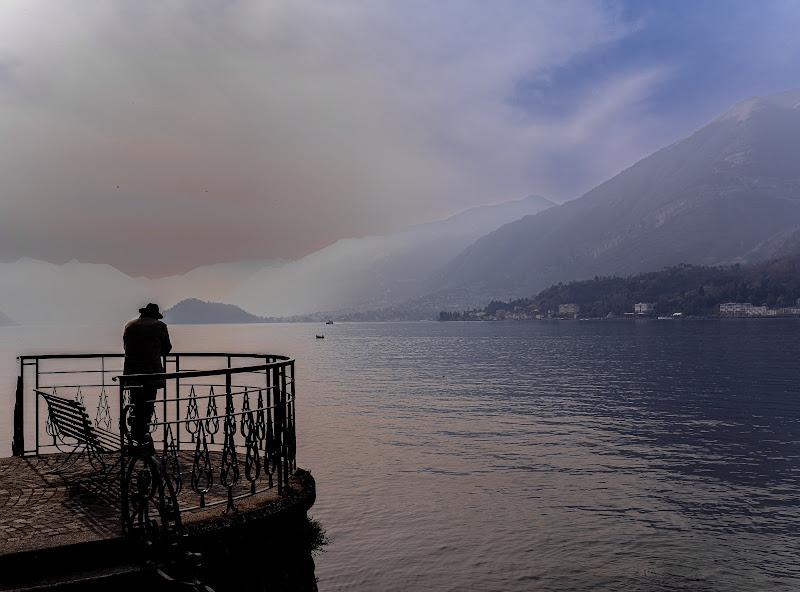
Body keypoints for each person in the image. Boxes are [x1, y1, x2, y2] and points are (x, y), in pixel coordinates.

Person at [123, 303, 172, 443]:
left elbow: (125, 347)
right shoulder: (159, 326)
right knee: (148, 405)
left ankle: (134, 437)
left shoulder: (129, 325)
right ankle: (143, 437)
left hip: (132, 374)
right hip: (151, 373)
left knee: (135, 404)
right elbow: (167, 348)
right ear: (154, 315)